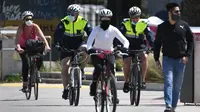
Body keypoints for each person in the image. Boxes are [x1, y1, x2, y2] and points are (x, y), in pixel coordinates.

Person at [153, 2, 194, 112]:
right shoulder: (162, 27)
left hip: (181, 60)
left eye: (179, 11)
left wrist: (187, 55)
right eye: (176, 11)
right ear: (169, 13)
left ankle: (173, 106)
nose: (178, 13)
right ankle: (168, 105)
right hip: (167, 60)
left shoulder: (184, 26)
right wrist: (156, 58)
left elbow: (191, 41)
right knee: (168, 82)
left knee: (177, 86)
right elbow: (157, 44)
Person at [87, 8, 129, 103]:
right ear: (100, 19)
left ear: (110, 19)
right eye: (103, 18)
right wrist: (90, 49)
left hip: (109, 53)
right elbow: (89, 42)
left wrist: (125, 47)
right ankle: (94, 84)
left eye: (107, 18)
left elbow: (125, 41)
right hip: (96, 53)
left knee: (112, 71)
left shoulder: (113, 29)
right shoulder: (96, 29)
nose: (105, 20)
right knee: (99, 69)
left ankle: (114, 95)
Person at [54, 4, 92, 100]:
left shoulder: (83, 21)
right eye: (71, 13)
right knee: (65, 66)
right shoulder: (64, 22)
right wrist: (57, 44)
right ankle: (66, 89)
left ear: (78, 14)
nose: (72, 15)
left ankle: (82, 69)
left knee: (86, 52)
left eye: (75, 13)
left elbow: (91, 32)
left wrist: (92, 43)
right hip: (66, 46)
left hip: (79, 45)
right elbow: (57, 34)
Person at [119, 6, 154, 93]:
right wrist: (120, 46)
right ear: (130, 17)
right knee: (127, 61)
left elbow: (150, 36)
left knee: (144, 57)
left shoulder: (144, 23)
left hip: (140, 46)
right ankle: (126, 81)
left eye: (137, 17)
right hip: (128, 46)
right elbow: (120, 36)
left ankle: (142, 80)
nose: (135, 19)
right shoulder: (125, 23)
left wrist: (153, 45)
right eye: (133, 17)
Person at [15, 11, 51, 92]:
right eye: (27, 19)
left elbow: (42, 37)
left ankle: (37, 71)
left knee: (40, 56)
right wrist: (18, 47)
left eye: (31, 18)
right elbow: (17, 40)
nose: (29, 20)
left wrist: (47, 46)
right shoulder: (21, 27)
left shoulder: (35, 26)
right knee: (25, 63)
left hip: (34, 45)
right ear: (23, 20)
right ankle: (25, 84)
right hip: (23, 47)